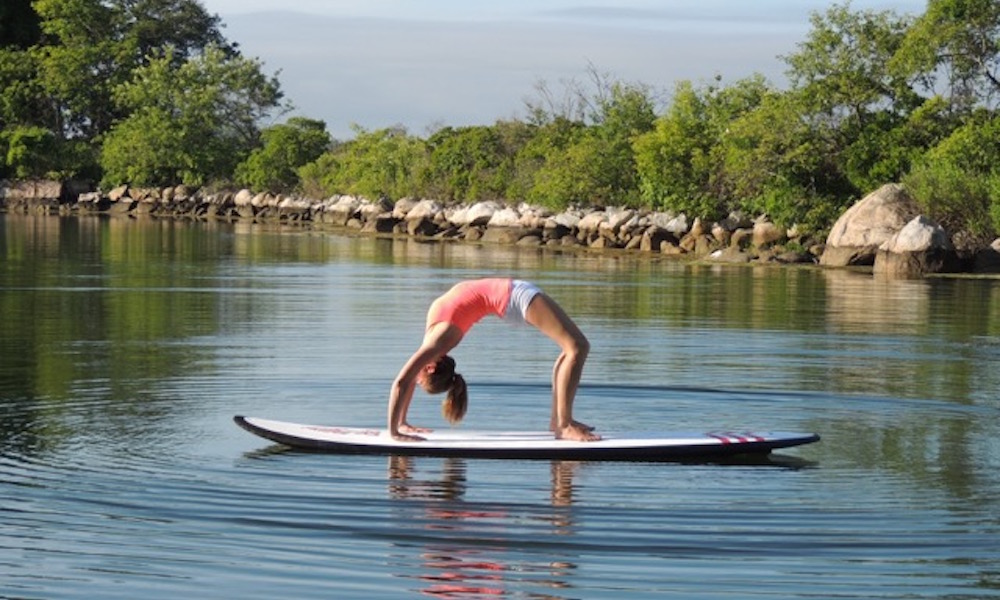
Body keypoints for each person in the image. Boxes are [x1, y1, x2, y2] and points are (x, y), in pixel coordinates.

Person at [388, 278, 600, 443]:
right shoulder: (434, 341)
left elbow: (401, 382)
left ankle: (562, 424)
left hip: (514, 297)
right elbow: (406, 383)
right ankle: (561, 422)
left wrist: (394, 431)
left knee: (575, 348)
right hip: (513, 293)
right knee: (574, 347)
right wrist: (402, 422)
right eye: (419, 381)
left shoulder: (437, 342)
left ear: (430, 368)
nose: (415, 380)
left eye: (419, 381)